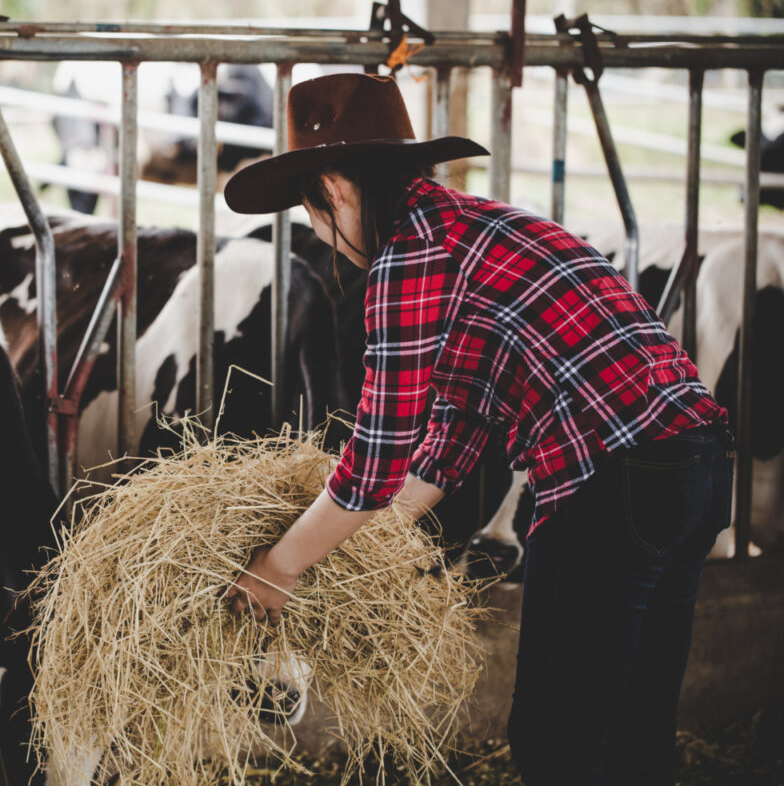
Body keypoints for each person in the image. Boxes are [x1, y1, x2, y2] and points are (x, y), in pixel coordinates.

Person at [222, 72, 732, 786]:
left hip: (610, 488)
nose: (320, 236)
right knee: (634, 730)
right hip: (695, 470)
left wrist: (277, 570)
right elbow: (456, 427)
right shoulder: (476, 227)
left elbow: (373, 459)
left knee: (557, 742)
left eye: (311, 212)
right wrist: (373, 540)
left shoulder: (410, 259)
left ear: (333, 190)